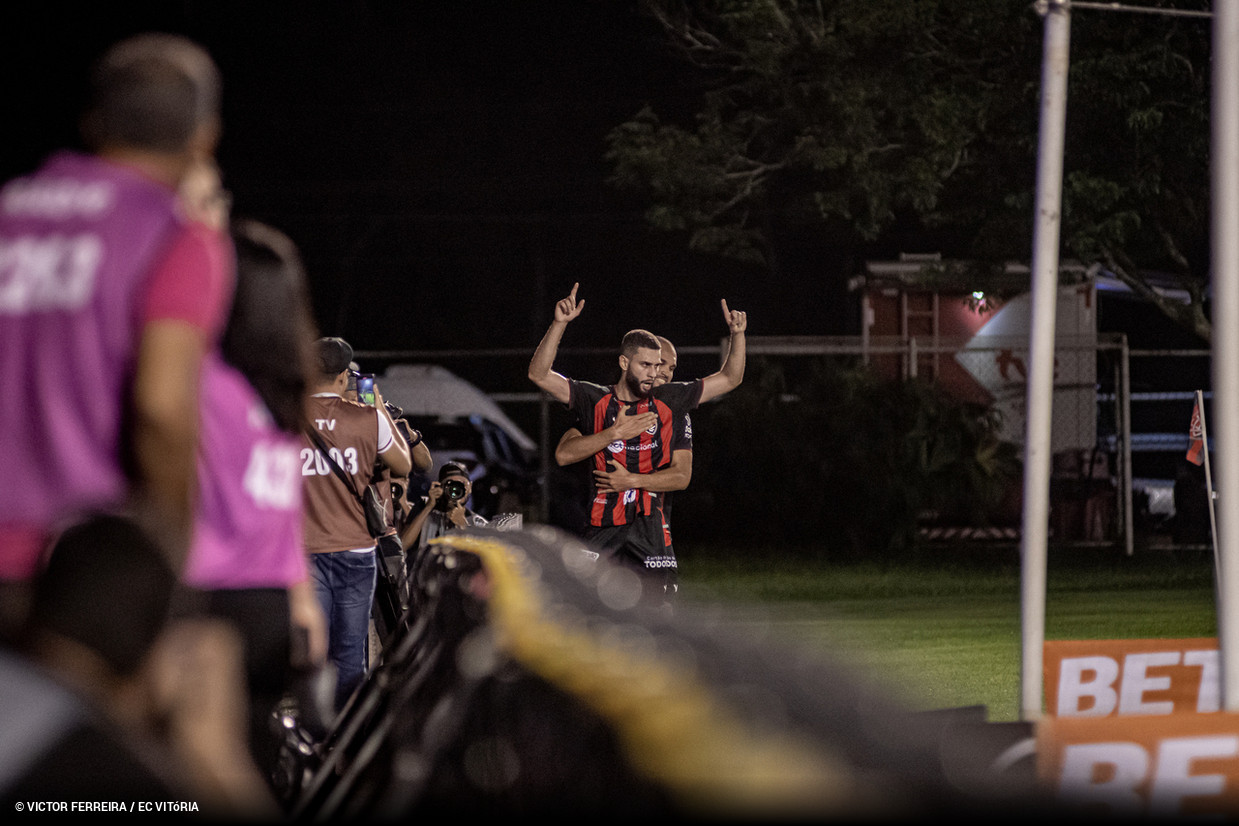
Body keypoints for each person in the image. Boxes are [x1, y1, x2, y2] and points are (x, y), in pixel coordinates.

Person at [0, 33, 230, 637]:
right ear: (204, 137)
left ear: (93, 124)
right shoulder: (173, 236)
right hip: (75, 570)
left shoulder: (10, 210)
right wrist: (168, 554)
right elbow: (161, 408)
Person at [178, 218, 329, 788]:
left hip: (208, 600)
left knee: (198, 772)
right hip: (272, 605)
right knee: (258, 759)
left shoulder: (205, 384)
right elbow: (285, 517)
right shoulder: (287, 394)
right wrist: (302, 599)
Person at [528, 283, 746, 607]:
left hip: (650, 533)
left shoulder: (670, 401)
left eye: (658, 366)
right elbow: (539, 375)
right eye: (647, 365)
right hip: (602, 530)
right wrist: (560, 323)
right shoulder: (595, 400)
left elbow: (730, 378)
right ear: (624, 363)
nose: (655, 373)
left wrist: (738, 335)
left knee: (661, 626)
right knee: (587, 618)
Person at [302, 336, 417, 713]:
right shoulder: (366, 417)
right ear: (343, 377)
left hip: (305, 552)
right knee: (350, 653)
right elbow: (404, 465)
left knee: (312, 652)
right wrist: (378, 406)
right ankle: (347, 741)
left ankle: (312, 737)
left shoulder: (288, 416)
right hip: (356, 550)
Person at [399, 460, 490, 565]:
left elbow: (482, 562)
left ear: (470, 487)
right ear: (440, 487)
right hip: (423, 576)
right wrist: (428, 507)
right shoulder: (423, 508)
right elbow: (403, 545)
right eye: (450, 484)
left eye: (462, 484)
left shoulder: (478, 523)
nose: (456, 489)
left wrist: (462, 525)